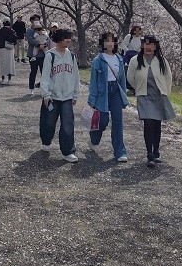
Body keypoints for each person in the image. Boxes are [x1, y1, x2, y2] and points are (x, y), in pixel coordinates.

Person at [128, 35, 176, 168]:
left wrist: (165, 93)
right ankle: (149, 154)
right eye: (146, 44)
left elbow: (168, 77)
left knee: (156, 124)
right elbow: (130, 78)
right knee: (148, 123)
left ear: (155, 46)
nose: (148, 47)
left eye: (151, 44)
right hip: (144, 96)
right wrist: (138, 89)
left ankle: (156, 152)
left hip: (158, 95)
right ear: (142, 46)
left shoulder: (161, 60)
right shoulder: (135, 61)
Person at [87, 32, 130, 162]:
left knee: (117, 122)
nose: (109, 43)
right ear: (103, 43)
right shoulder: (98, 60)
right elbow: (93, 81)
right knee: (103, 120)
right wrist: (92, 99)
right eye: (107, 41)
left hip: (116, 91)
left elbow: (122, 79)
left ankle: (120, 152)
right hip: (102, 93)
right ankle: (94, 138)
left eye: (112, 41)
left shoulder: (119, 59)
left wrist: (124, 96)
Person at [39, 28, 80, 163]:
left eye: (69, 38)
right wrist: (46, 94)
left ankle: (68, 151)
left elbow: (75, 77)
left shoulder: (71, 56)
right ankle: (46, 140)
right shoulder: (50, 56)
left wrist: (75, 94)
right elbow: (45, 77)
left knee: (68, 124)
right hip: (52, 97)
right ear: (58, 40)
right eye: (65, 38)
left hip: (67, 97)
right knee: (49, 123)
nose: (68, 40)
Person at [27, 18, 49, 95]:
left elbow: (47, 39)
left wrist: (44, 45)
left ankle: (44, 89)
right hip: (33, 55)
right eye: (34, 20)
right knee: (33, 71)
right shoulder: (29, 31)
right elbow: (30, 40)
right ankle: (31, 88)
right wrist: (39, 45)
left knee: (44, 72)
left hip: (43, 55)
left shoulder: (44, 31)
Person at [0, 19, 18, 84]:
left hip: (2, 48)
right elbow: (15, 41)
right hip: (10, 49)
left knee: (3, 63)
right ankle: (9, 80)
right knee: (10, 63)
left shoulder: (0, 30)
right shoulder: (12, 31)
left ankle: (3, 79)